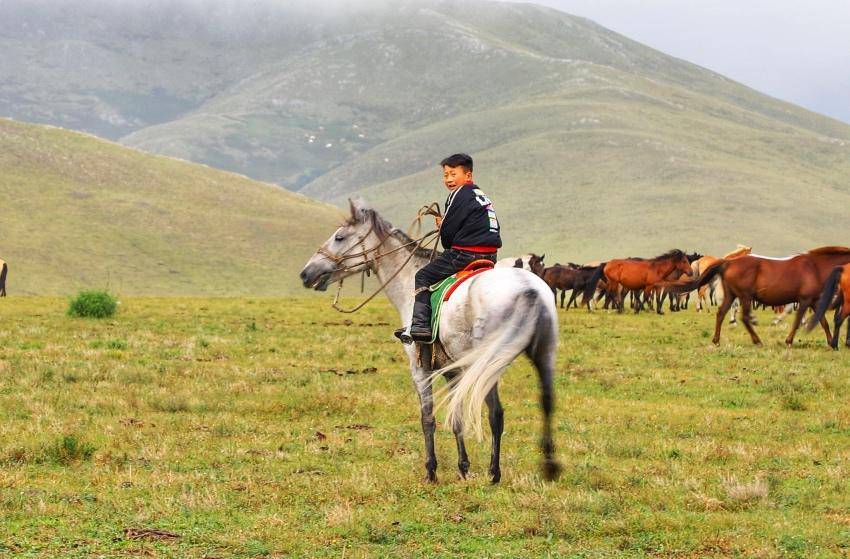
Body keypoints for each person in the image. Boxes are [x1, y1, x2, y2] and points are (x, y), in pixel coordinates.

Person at [396, 153, 501, 343]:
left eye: (453, 174)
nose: (449, 180)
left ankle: (419, 325)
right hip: (491, 255)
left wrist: (443, 227)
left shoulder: (458, 195)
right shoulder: (481, 195)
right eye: (446, 175)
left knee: (423, 276)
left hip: (465, 255)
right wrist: (446, 223)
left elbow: (448, 237)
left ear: (468, 176)